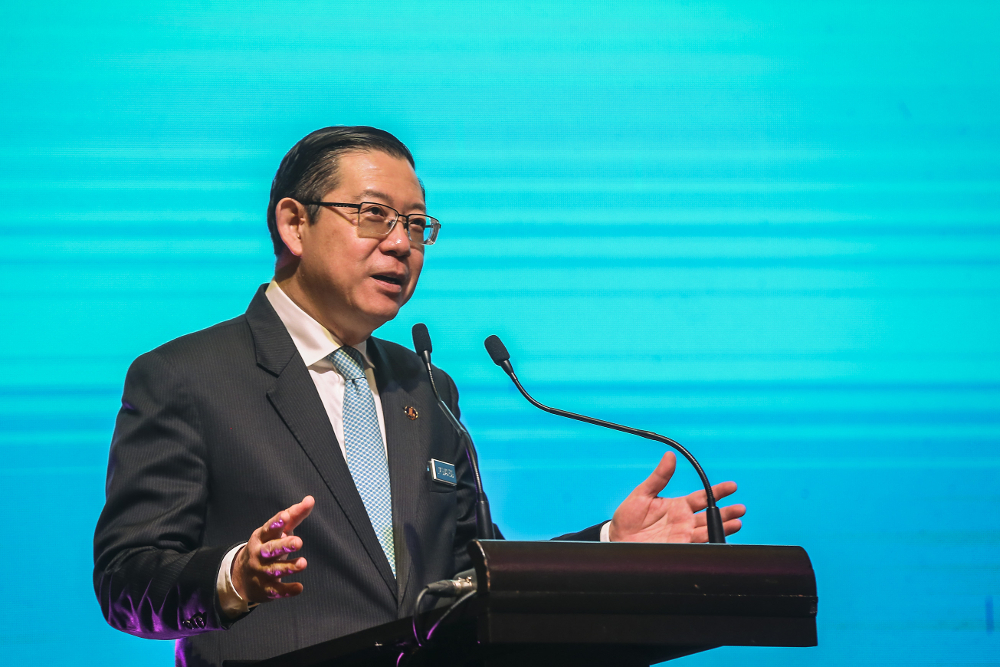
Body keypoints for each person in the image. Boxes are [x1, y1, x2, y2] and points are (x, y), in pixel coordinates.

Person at [93, 126, 746, 666]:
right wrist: (234, 574)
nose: (402, 243)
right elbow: (127, 580)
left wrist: (606, 546)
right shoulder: (186, 376)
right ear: (294, 223)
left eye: (415, 223)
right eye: (374, 215)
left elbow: (477, 578)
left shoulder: (426, 386)